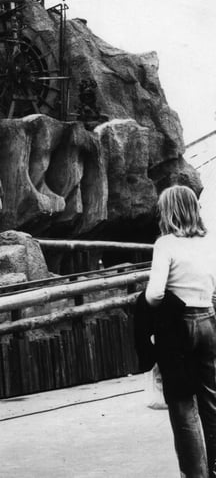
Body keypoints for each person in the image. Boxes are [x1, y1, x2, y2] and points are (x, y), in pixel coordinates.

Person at [145, 185, 216, 477]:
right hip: (209, 320)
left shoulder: (166, 244)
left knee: (183, 402)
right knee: (211, 400)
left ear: (168, 211)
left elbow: (154, 293)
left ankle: (194, 472)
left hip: (179, 326)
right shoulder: (209, 242)